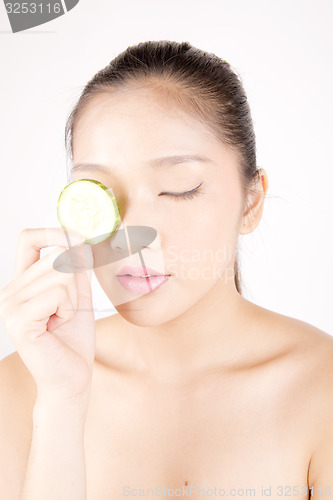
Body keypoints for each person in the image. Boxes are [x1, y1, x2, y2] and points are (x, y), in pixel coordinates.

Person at [0, 40, 332, 500]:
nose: (132, 233)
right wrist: (60, 407)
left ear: (251, 202)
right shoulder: (24, 387)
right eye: (99, 191)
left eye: (179, 189)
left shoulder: (323, 388)